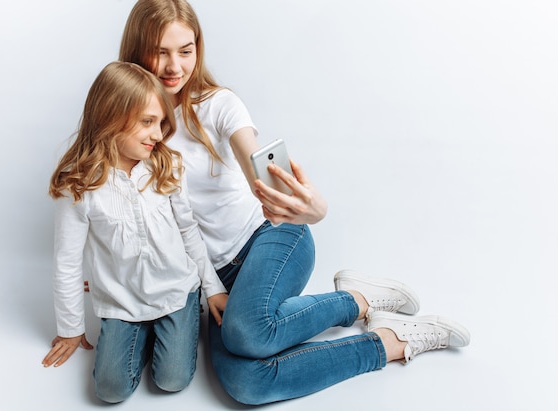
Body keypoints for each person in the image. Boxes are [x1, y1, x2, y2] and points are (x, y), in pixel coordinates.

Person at [118, 0, 471, 405]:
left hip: (271, 239)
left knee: (247, 332)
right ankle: (388, 341)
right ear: (136, 49)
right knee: (246, 384)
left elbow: (257, 167)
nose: (174, 66)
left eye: (185, 50)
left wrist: (309, 207)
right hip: (212, 277)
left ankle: (355, 303)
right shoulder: (129, 124)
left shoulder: (218, 105)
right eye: (160, 51)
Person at [41, 61, 228, 403]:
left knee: (171, 380)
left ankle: (177, 324)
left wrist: (212, 287)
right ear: (110, 117)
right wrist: (70, 329)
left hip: (175, 290)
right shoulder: (79, 185)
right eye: (147, 122)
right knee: (109, 391)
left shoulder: (165, 165)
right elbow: (67, 262)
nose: (158, 134)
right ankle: (139, 334)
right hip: (122, 301)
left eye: (160, 122)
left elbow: (188, 230)